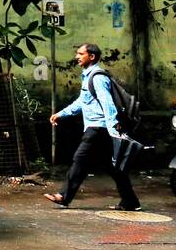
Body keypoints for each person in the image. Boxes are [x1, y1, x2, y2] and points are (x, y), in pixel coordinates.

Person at [45, 43, 142, 211]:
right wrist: (62, 113)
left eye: (80, 54)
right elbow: (82, 102)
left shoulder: (97, 77)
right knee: (112, 167)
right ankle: (130, 201)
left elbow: (107, 103)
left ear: (91, 57)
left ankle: (64, 196)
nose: (77, 57)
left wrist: (113, 128)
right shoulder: (88, 76)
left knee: (80, 159)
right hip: (98, 127)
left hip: (99, 127)